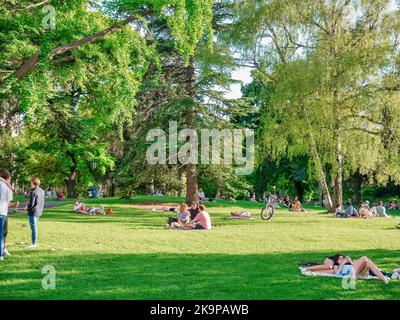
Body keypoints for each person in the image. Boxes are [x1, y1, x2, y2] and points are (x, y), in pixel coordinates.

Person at [26, 177, 45, 248]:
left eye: (31, 182)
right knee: (34, 227)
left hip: (33, 212)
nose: (30, 184)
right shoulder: (42, 191)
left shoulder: (33, 191)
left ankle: (34, 243)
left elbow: (31, 204)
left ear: (33, 183)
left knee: (33, 228)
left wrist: (27, 208)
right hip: (39, 211)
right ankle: (34, 241)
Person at [0, 169, 15, 260]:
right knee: (1, 234)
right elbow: (8, 204)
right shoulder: (9, 188)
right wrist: (14, 204)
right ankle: (1, 254)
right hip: (4, 213)